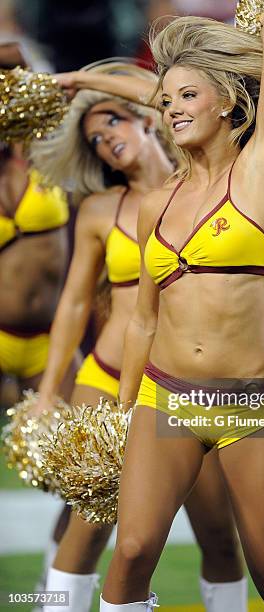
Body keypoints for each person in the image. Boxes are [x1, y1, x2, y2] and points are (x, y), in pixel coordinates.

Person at [65, 11, 264, 612]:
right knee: (132, 551)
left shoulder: (260, 172)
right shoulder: (157, 202)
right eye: (166, 99)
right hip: (163, 396)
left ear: (227, 102)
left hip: (247, 403)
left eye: (188, 96)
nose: (171, 108)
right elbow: (144, 319)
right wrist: (120, 415)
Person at [31, 62, 248, 612]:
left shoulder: (200, 188)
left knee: (219, 534)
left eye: (113, 125)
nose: (107, 142)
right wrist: (51, 390)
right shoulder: (100, 211)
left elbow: (165, 97)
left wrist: (82, 83)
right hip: (105, 379)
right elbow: (75, 304)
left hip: (183, 385)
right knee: (91, 527)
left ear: (145, 119)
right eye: (97, 140)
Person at [0, 42, 79, 599]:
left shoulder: (40, 147)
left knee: (84, 474)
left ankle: (53, 589)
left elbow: (13, 52)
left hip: (51, 340)